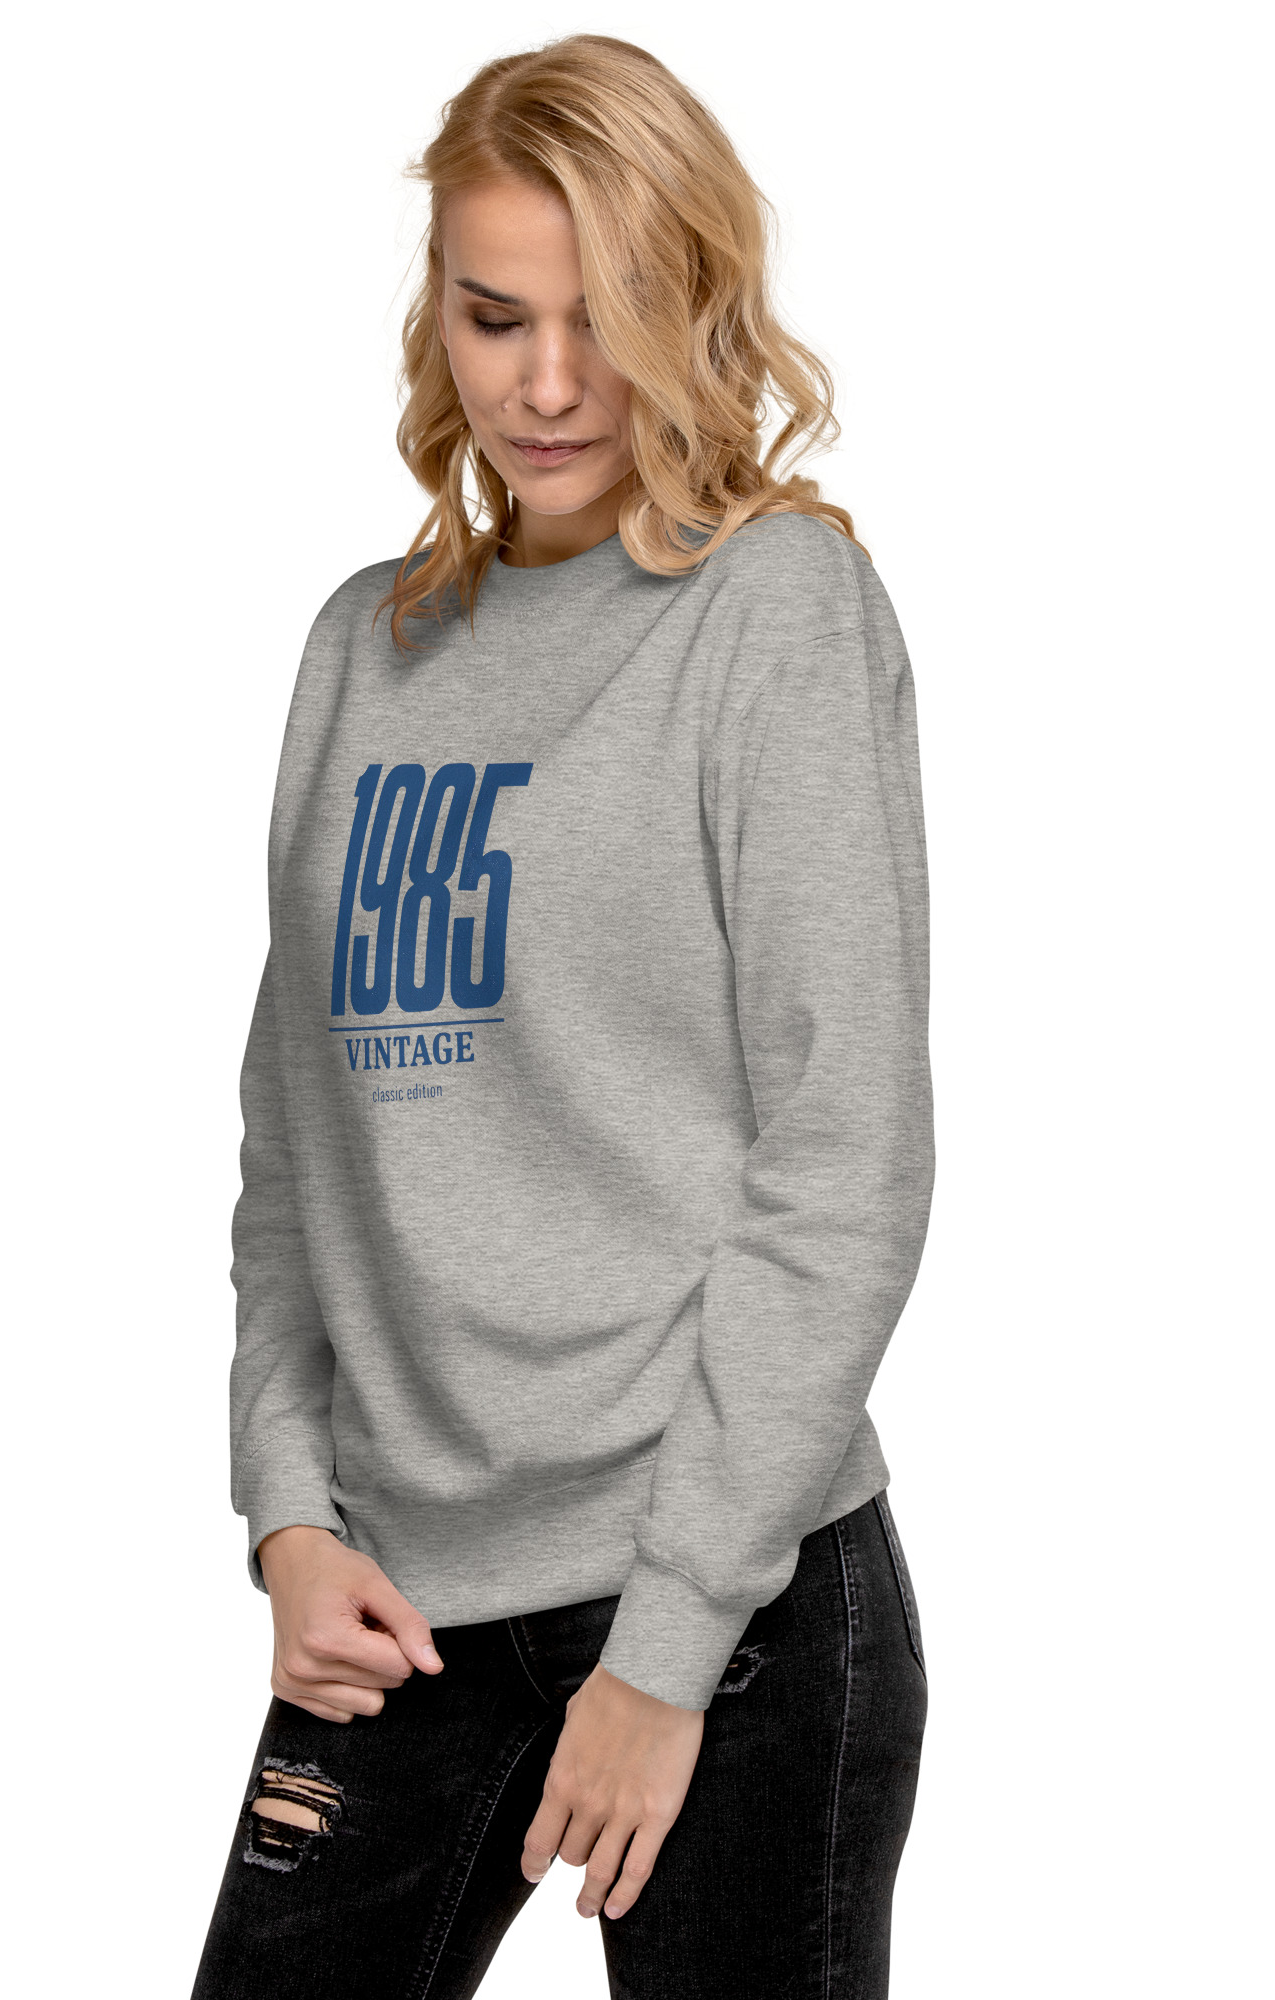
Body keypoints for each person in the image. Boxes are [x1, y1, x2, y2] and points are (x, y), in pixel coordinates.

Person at [190, 33, 934, 2000]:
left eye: (603, 316)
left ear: (696, 299)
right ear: (435, 313)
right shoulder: (364, 649)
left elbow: (844, 1170)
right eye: (495, 314)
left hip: (728, 1608)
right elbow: (296, 1155)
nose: (544, 385)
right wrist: (286, 1514)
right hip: (398, 1611)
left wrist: (667, 1648)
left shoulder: (771, 609)